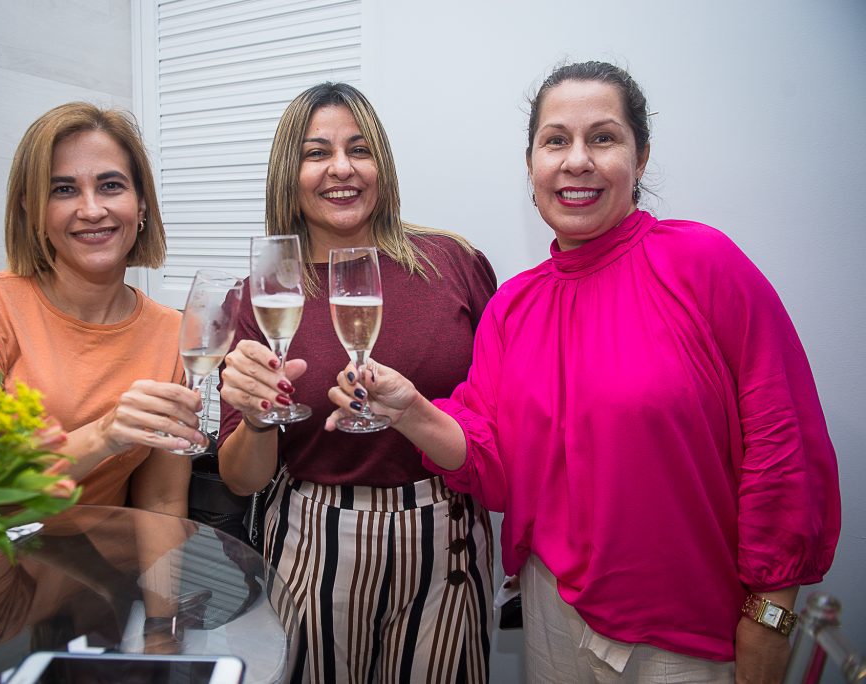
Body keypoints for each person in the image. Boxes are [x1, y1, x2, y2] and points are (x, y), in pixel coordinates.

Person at [326, 62, 841, 684]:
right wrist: (410, 411)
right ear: (531, 163)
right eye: (555, 140)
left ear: (641, 157)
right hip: (552, 613)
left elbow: (782, 447)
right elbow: (493, 465)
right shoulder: (513, 307)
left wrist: (769, 615)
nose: (576, 162)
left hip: (686, 636)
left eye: (602, 138)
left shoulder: (703, 264)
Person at [216, 82, 497, 683]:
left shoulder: (453, 263)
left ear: (383, 165)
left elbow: (501, 421)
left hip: (444, 535)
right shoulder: (264, 294)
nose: (341, 169)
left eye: (359, 149)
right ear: (288, 172)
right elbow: (241, 478)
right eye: (316, 153)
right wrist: (261, 418)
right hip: (310, 544)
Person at [0, 102, 201, 516]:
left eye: (111, 185)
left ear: (141, 204)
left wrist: (159, 585)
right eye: (64, 190)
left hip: (101, 574)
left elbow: (161, 500)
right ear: (32, 209)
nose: (92, 210)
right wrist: (104, 435)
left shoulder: (172, 331)